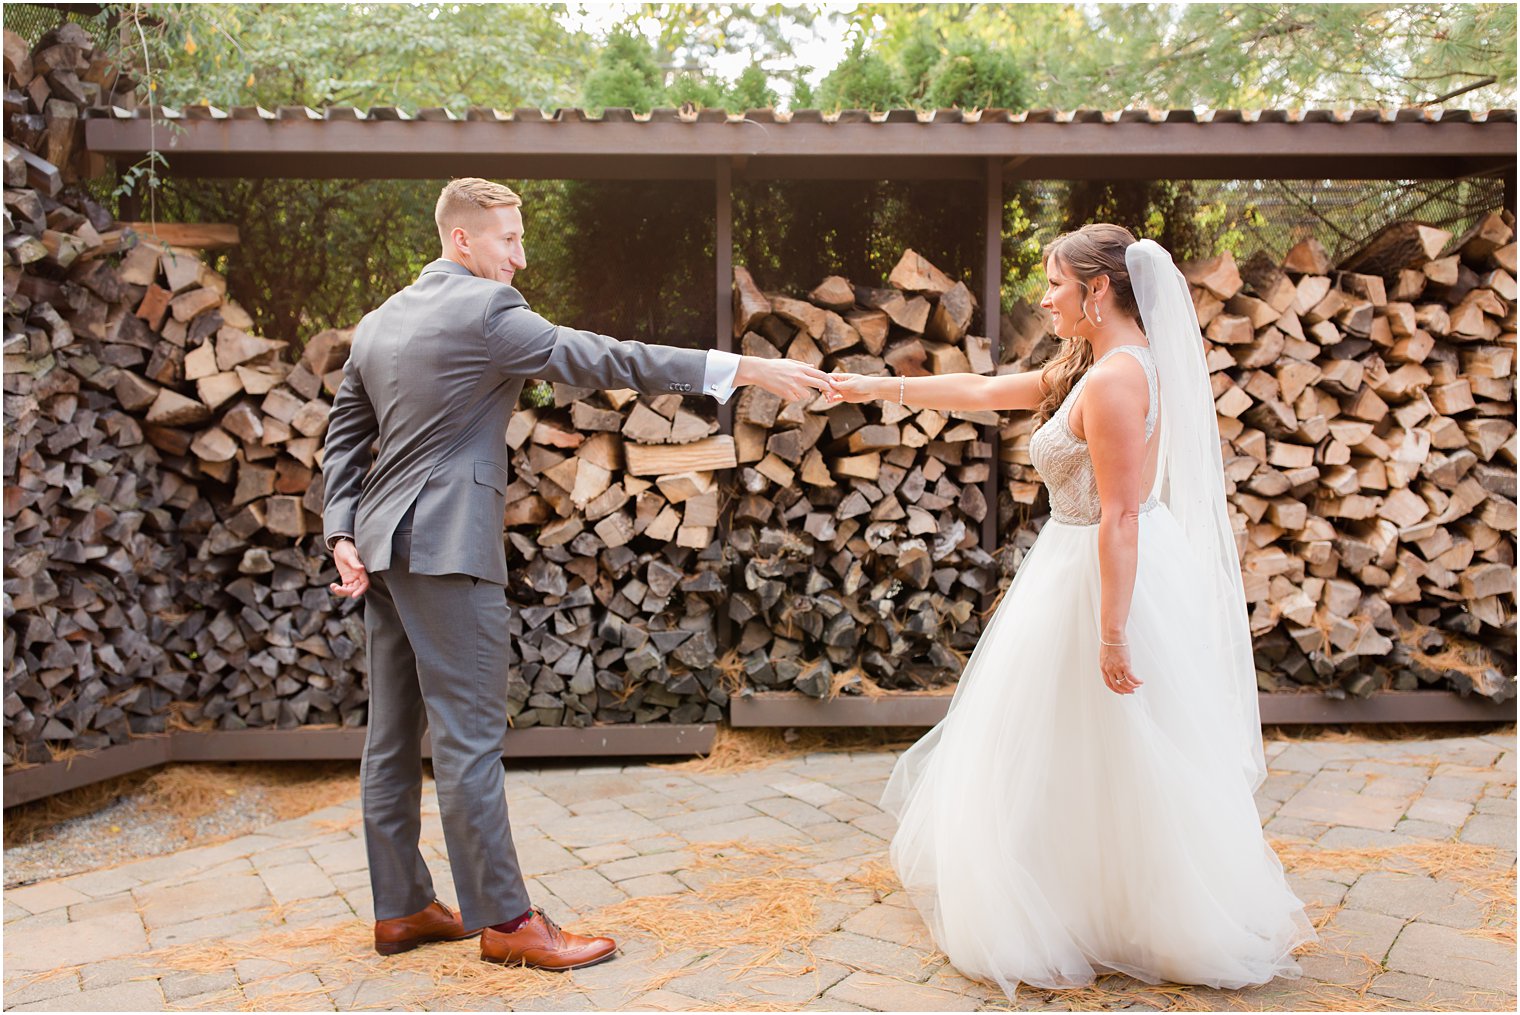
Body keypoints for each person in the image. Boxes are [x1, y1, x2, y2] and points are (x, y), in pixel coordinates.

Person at [322, 178, 832, 970]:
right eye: (507, 241)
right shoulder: (486, 312)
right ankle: (508, 921)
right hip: (448, 548)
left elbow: (345, 438)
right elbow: (603, 357)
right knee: (467, 740)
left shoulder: (382, 320)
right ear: (462, 240)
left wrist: (341, 530)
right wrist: (742, 369)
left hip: (385, 549)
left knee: (390, 738)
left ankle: (403, 907)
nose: (520, 259)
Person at [825, 224, 1315, 995]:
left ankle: (1131, 913)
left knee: (1111, 747)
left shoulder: (1119, 381)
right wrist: (879, 387)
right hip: (1074, 564)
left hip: (1099, 577)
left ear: (1097, 289)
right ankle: (1080, 902)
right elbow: (990, 393)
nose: (1043, 298)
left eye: (1054, 283)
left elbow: (1121, 514)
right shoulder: (1095, 367)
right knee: (1075, 750)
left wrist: (1112, 631)